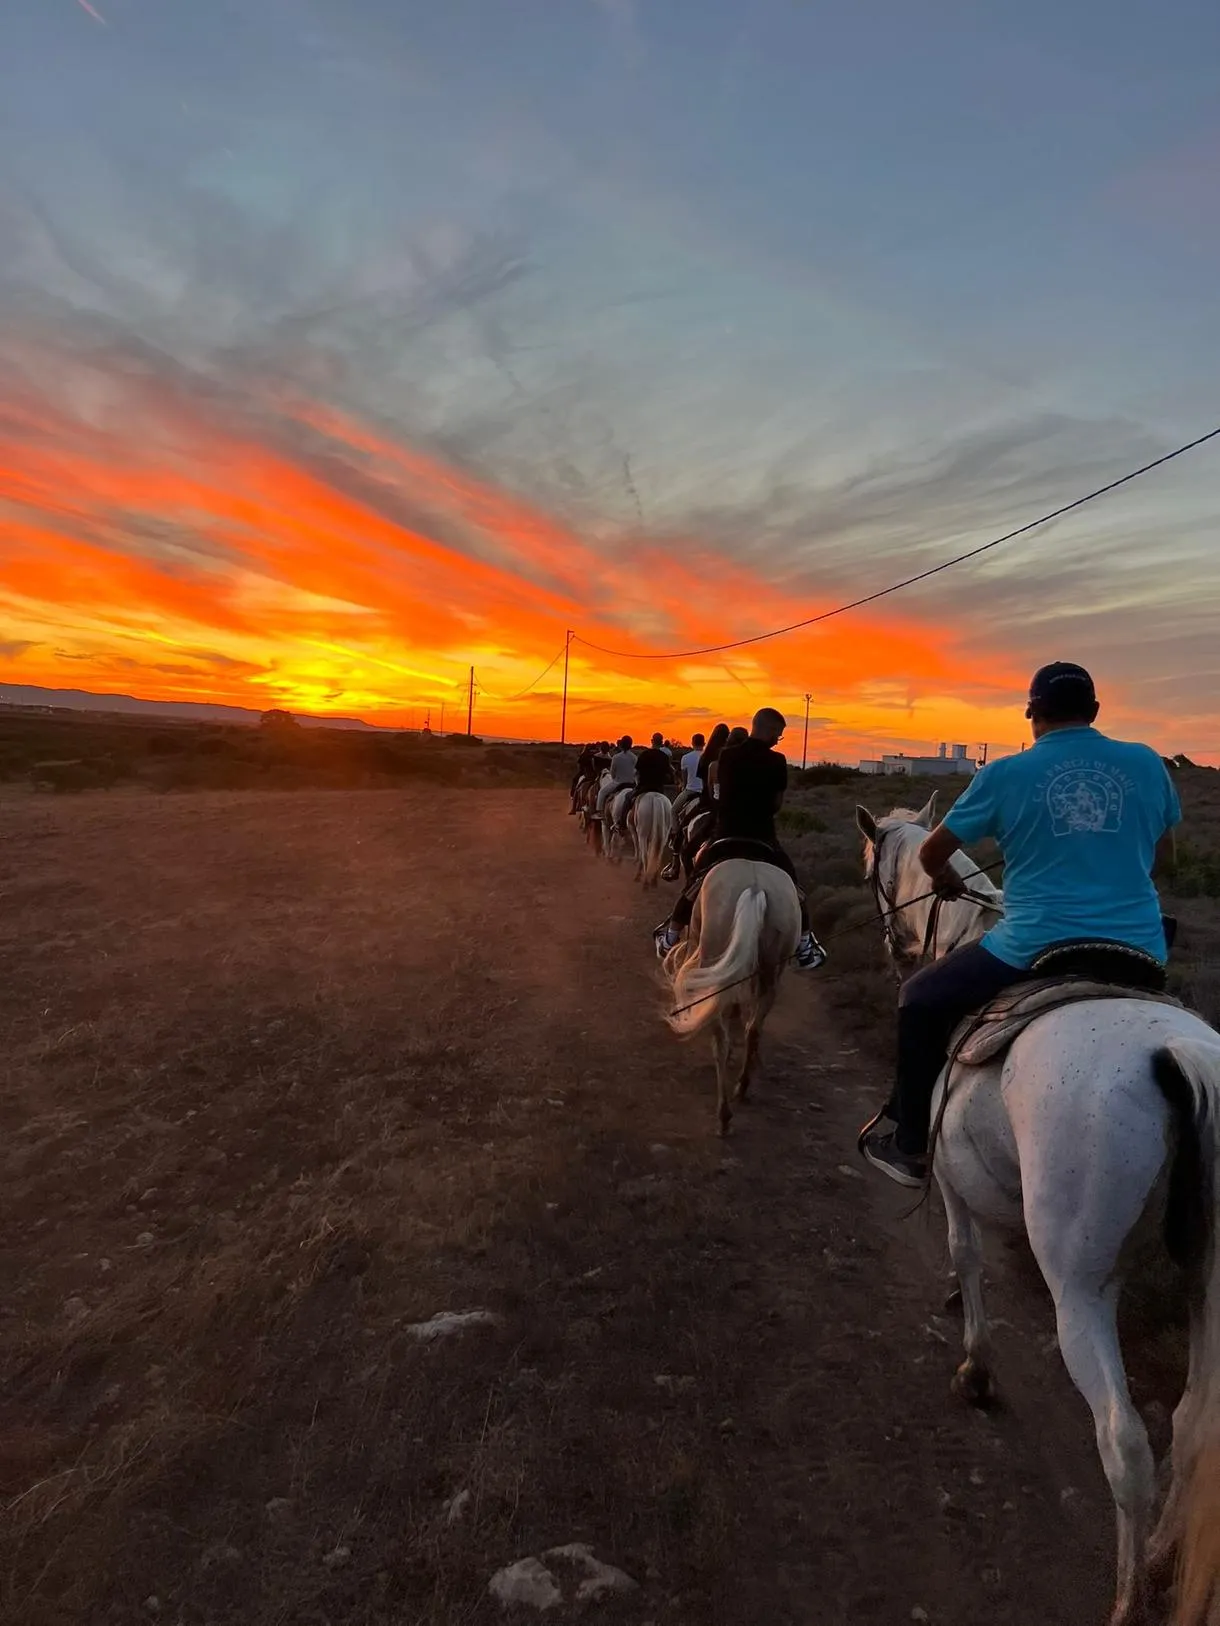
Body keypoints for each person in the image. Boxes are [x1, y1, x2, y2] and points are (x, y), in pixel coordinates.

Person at [860, 661, 1182, 1188]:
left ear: (1031, 715)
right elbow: (1164, 860)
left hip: (1032, 947)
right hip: (1140, 948)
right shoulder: (1147, 763)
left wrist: (942, 879)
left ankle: (910, 1145)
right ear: (1095, 712)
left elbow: (932, 851)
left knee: (918, 1000)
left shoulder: (1006, 773)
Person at [653, 707, 827, 970]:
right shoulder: (778, 761)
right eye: (777, 735)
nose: (776, 741)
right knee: (793, 884)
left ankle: (672, 934)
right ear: (767, 730)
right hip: (764, 838)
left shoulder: (727, 756)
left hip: (727, 833)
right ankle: (805, 944)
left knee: (696, 879)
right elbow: (777, 804)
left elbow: (720, 795)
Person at [595, 735, 638, 817]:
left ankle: (599, 812)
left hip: (618, 782)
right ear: (631, 745)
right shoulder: (635, 757)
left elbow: (612, 773)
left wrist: (615, 778)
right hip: (632, 784)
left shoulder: (616, 757)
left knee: (602, 792)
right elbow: (636, 772)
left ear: (621, 745)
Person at [673, 732, 706, 819]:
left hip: (691, 790)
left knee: (673, 811)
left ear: (692, 743)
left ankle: (676, 831)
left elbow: (685, 779)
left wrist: (683, 786)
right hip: (707, 791)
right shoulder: (709, 756)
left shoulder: (686, 757)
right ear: (704, 743)